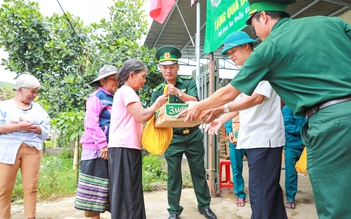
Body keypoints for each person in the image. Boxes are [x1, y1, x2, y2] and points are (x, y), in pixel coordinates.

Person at [178, 0, 351, 218]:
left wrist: (200, 105)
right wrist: (220, 115)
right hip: (319, 123)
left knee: (334, 204)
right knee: (268, 191)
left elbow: (234, 94)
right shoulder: (329, 23)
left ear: (264, 17)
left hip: (327, 124)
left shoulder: (269, 50)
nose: (257, 33)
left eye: (253, 25)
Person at [204, 31, 287, 218]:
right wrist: (221, 120)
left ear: (247, 46)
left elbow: (257, 98)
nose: (231, 55)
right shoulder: (247, 71)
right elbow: (242, 104)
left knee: (261, 193)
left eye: (234, 50)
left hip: (264, 139)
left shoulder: (261, 66)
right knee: (269, 191)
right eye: (228, 53)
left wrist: (220, 109)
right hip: (255, 139)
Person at [151, 45, 217, 219]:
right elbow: (154, 116)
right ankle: (174, 211)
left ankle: (204, 206)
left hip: (193, 134)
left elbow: (196, 100)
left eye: (171, 67)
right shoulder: (157, 91)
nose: (168, 70)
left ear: (178, 67)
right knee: (173, 176)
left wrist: (179, 93)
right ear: (160, 69)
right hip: (172, 138)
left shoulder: (187, 82)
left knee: (198, 172)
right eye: (164, 67)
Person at [108, 59, 167, 219]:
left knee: (126, 191)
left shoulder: (124, 92)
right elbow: (142, 116)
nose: (145, 80)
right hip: (124, 147)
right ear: (131, 75)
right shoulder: (127, 91)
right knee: (129, 193)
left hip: (124, 147)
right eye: (143, 76)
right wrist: (157, 104)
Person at [0, 73, 50, 219]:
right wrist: (18, 127)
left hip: (32, 150)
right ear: (20, 89)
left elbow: (46, 128)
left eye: (36, 92)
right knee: (3, 189)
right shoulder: (4, 106)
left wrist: (37, 128)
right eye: (32, 92)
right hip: (7, 150)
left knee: (31, 188)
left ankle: (30, 217)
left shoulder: (38, 109)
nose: (34, 95)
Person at [74, 65, 119, 218]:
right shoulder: (96, 97)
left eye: (117, 79)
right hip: (96, 150)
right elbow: (90, 123)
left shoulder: (113, 97)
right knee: (93, 193)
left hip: (107, 149)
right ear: (102, 80)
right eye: (113, 79)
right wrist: (103, 145)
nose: (116, 82)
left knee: (106, 190)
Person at [282, 104, 307, 210]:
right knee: (290, 173)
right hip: (291, 146)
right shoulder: (287, 108)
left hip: (307, 145)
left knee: (316, 171)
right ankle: (290, 198)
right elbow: (287, 126)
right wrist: (306, 129)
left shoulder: (308, 107)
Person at [224, 115, 247, 207]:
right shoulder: (232, 103)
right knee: (236, 169)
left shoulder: (250, 102)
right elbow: (227, 119)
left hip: (249, 141)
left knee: (256, 168)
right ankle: (240, 194)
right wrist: (229, 132)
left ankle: (257, 194)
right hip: (235, 143)